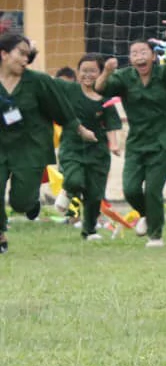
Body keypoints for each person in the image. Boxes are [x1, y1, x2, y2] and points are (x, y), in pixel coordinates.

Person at [97, 27, 166, 248]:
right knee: (130, 189)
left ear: (153, 56)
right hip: (137, 142)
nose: (139, 57)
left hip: (164, 141)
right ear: (130, 59)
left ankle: (155, 235)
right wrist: (107, 71)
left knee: (153, 190)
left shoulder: (164, 74)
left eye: (143, 52)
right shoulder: (124, 77)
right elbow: (100, 89)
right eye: (134, 53)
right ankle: (147, 214)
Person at [1, 33, 82, 250]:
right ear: (4, 54)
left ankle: (30, 201)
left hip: (29, 147)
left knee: (20, 202)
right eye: (21, 53)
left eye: (27, 55)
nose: (25, 59)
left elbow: (61, 109)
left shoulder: (38, 82)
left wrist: (78, 128)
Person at [52, 54, 123, 241]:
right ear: (78, 72)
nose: (87, 75)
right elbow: (47, 84)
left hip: (98, 150)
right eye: (84, 71)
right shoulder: (70, 89)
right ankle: (68, 190)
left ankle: (89, 231)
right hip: (72, 146)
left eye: (93, 71)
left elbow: (111, 123)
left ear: (101, 73)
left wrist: (114, 144)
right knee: (74, 179)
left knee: (94, 194)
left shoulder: (105, 97)